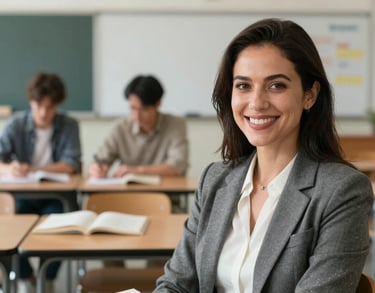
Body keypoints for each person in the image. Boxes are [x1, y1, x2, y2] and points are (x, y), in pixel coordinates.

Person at [153, 18, 373, 293]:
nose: (256, 103)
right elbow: (177, 284)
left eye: (276, 85)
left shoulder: (341, 190)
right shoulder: (215, 180)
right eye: (243, 86)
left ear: (309, 95)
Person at [0, 72, 81, 293]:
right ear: (31, 102)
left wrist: (34, 169)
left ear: (58, 105)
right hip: (23, 196)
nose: (44, 113)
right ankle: (27, 278)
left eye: (50, 107)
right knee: (9, 228)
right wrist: (10, 168)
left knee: (62, 228)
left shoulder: (69, 125)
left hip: (56, 197)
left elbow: (71, 164)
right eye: (39, 106)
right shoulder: (16, 124)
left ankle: (49, 278)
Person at [88, 74, 188, 178]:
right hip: (126, 192)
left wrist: (136, 171)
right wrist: (95, 168)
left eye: (144, 109)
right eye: (133, 108)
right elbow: (99, 160)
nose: (137, 116)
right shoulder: (120, 127)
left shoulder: (176, 125)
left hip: (165, 192)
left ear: (158, 104)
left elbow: (178, 166)